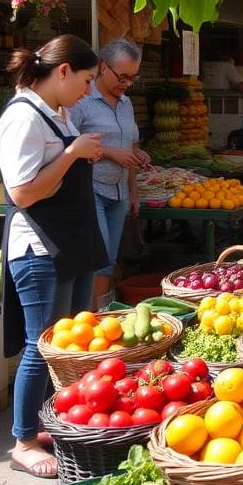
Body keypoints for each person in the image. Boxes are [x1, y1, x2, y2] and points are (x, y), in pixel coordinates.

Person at [0, 36, 107, 478]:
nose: (89, 90)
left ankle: (45, 422)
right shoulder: (21, 117)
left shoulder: (55, 112)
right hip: (40, 247)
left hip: (70, 244)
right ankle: (23, 441)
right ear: (63, 72)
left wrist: (80, 152)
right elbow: (22, 192)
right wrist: (72, 153)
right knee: (40, 347)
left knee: (68, 345)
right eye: (86, 80)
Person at [68, 39, 150, 308]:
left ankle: (101, 313)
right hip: (91, 188)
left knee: (109, 258)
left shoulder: (126, 104)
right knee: (97, 254)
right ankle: (88, 316)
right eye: (122, 76)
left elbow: (131, 147)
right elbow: (68, 147)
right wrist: (111, 153)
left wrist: (134, 188)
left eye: (132, 78)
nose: (126, 83)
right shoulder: (81, 102)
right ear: (103, 67)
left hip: (119, 192)